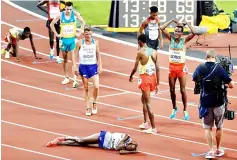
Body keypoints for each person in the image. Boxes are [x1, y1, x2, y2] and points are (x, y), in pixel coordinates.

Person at [192, 49, 234, 159]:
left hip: (205, 102)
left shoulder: (200, 68)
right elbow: (231, 85)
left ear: (206, 57)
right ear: (215, 58)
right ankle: (218, 149)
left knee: (208, 128)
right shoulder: (220, 69)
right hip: (218, 102)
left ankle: (210, 151)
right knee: (219, 127)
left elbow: (194, 79)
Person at [160, 19, 196, 120]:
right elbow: (162, 28)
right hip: (172, 68)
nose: (176, 33)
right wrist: (171, 20)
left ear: (181, 33)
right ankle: (174, 108)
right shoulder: (170, 38)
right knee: (171, 89)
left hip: (181, 68)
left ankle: (185, 110)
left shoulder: (184, 40)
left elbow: (194, 32)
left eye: (179, 31)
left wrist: (188, 23)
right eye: (175, 31)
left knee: (182, 90)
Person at [129, 34, 160, 134]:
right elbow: (157, 68)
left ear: (139, 42)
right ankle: (145, 122)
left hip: (145, 78)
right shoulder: (153, 51)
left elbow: (135, 68)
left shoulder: (140, 52)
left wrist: (131, 76)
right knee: (143, 99)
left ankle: (153, 128)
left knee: (148, 103)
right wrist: (158, 83)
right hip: (152, 78)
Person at [50, 1, 85, 88]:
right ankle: (66, 77)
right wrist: (57, 34)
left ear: (72, 8)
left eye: (70, 9)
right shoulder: (60, 15)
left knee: (73, 61)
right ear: (64, 8)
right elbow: (51, 24)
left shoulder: (75, 14)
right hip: (63, 41)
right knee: (65, 60)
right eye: (67, 9)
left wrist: (79, 32)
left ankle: (75, 80)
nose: (68, 11)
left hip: (72, 40)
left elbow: (83, 22)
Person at [73, 26, 102, 116]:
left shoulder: (95, 42)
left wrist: (100, 65)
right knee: (86, 88)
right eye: (86, 34)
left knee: (96, 86)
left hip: (93, 66)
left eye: (89, 34)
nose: (88, 36)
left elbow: (98, 54)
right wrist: (75, 66)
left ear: (92, 34)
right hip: (83, 67)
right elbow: (74, 55)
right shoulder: (79, 42)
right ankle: (87, 107)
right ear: (83, 34)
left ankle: (94, 103)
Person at [46, 131, 138, 154]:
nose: (130, 148)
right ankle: (62, 138)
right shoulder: (127, 138)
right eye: (132, 147)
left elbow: (119, 150)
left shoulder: (123, 148)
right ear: (132, 143)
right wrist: (123, 144)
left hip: (102, 145)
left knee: (79, 144)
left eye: (131, 150)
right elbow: (125, 135)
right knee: (81, 140)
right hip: (103, 136)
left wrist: (129, 150)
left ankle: (58, 143)